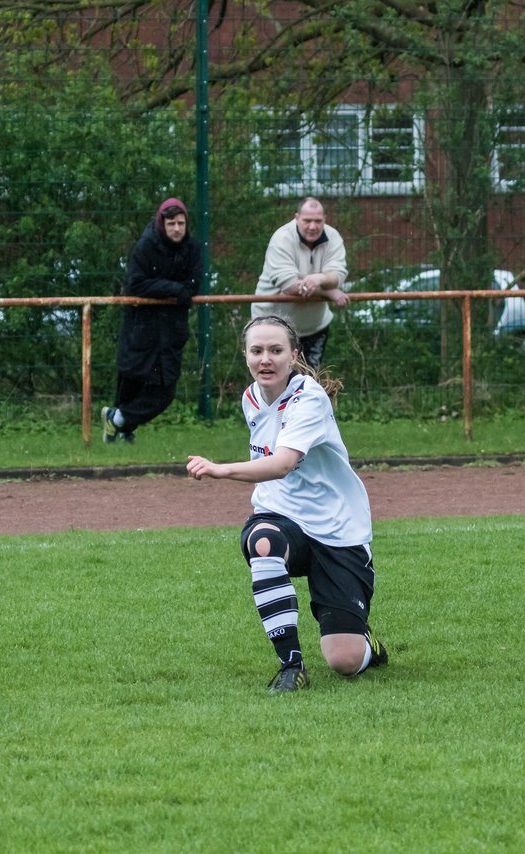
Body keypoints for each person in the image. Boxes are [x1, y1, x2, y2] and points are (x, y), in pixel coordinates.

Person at [186, 315, 388, 693]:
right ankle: (290, 665)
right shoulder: (251, 396)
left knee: (344, 660)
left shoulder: (308, 397)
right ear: (245, 355)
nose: (266, 359)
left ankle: (367, 643)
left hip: (336, 529)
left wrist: (219, 469)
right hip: (281, 517)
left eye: (276, 350)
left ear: (293, 355)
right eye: (257, 350)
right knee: (263, 541)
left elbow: (281, 464)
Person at [102, 197, 201, 444]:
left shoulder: (193, 248)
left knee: (164, 391)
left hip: (172, 329)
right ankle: (122, 430)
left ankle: (117, 419)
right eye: (171, 223)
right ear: (162, 223)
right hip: (141, 327)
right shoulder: (145, 246)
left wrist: (176, 291)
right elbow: (135, 284)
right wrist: (173, 289)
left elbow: (194, 284)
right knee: (131, 381)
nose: (177, 229)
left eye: (181, 223)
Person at [252, 197, 349, 367]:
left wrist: (320, 279)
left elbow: (338, 275)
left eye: (318, 221)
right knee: (275, 382)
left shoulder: (333, 237)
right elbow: (289, 286)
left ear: (325, 219)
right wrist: (328, 292)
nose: (313, 226)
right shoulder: (281, 239)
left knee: (311, 383)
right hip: (273, 325)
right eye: (307, 221)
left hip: (315, 326)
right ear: (296, 218)